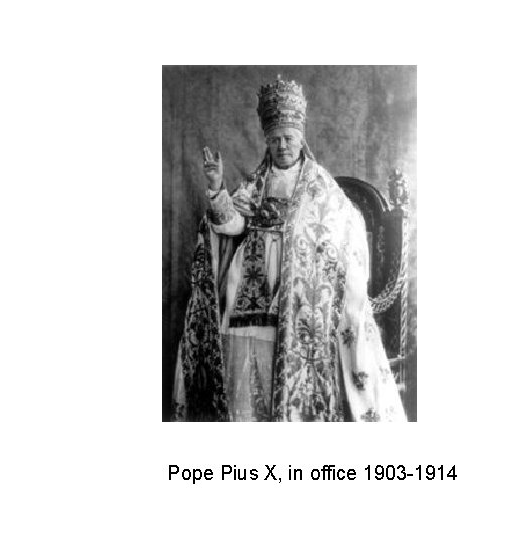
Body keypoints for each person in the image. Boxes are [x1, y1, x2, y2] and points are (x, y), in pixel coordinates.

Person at [172, 76, 406, 422]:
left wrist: (303, 244)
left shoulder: (322, 187)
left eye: (289, 138)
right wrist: (217, 188)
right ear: (267, 142)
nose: (282, 146)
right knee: (243, 354)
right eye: (275, 139)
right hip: (250, 291)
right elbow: (231, 225)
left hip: (301, 294)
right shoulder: (256, 184)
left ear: (301, 139)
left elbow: (343, 234)